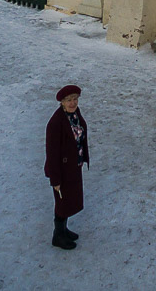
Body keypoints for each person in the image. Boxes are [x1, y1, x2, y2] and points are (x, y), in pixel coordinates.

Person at [44, 84, 89, 250]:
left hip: (73, 166)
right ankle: (58, 236)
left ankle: (63, 230)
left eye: (75, 99)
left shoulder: (74, 114)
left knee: (69, 201)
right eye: (69, 100)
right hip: (61, 171)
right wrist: (55, 179)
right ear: (61, 102)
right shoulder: (56, 123)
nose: (73, 103)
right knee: (62, 203)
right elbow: (52, 153)